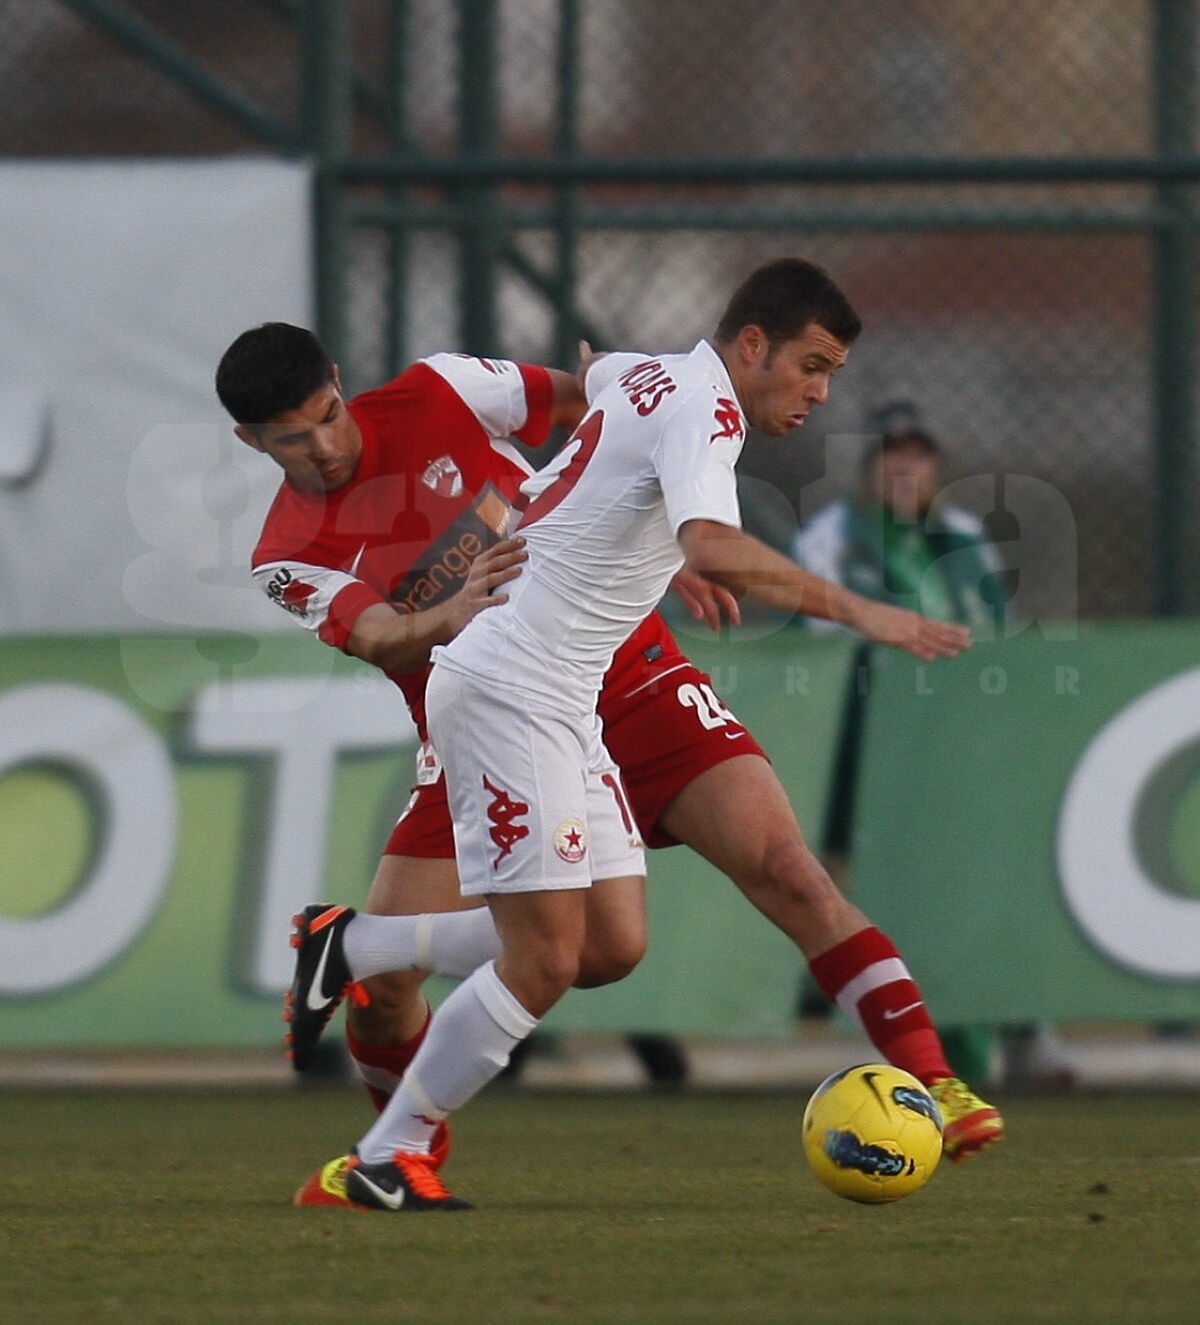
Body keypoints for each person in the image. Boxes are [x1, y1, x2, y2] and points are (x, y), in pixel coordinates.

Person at [219, 258, 1003, 1212]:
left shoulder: (441, 389)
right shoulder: (284, 555)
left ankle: (362, 972)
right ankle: (393, 1141)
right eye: (291, 440)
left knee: (630, 937)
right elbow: (379, 633)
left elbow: (591, 395)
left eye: (328, 417)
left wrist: (651, 539)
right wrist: (456, 609)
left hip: (607, 669)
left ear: (341, 384)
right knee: (486, 974)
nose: (323, 447)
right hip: (498, 693)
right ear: (252, 442)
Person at [794, 398, 1077, 1089]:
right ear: (870, 465)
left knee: (989, 875)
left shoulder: (964, 537)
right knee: (881, 890)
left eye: (918, 454)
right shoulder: (832, 539)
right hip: (871, 744)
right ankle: (909, 1039)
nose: (905, 467)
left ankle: (1020, 1024)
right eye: (892, 453)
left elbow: (995, 631)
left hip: (963, 742)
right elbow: (826, 644)